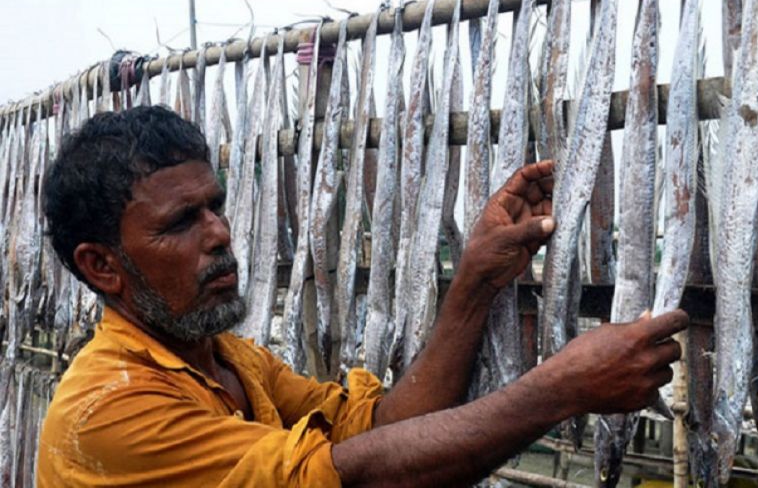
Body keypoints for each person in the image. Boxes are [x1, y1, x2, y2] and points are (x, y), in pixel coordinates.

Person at [38, 105, 687, 487]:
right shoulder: (106, 413)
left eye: (215, 206)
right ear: (102, 266)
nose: (220, 233)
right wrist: (561, 389)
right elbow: (358, 478)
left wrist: (476, 281)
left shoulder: (230, 360)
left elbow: (382, 429)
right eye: (181, 222)